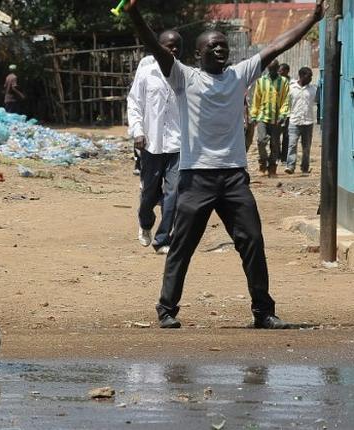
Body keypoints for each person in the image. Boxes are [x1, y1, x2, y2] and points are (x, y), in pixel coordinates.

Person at [125, 0, 325, 329]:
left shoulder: (238, 75)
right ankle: (166, 309)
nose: (220, 49)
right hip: (196, 179)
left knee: (253, 241)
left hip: (234, 179)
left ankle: (263, 311)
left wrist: (312, 18)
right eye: (213, 45)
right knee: (181, 246)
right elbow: (153, 45)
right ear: (199, 53)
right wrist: (133, 14)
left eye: (223, 45)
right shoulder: (183, 77)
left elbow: (277, 45)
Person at [127, 30, 183, 254]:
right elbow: (134, 103)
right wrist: (138, 131)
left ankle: (163, 238)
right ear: (158, 46)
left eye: (178, 46)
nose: (174, 50)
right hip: (151, 142)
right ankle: (145, 222)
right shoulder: (146, 70)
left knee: (175, 191)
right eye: (169, 45)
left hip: (178, 144)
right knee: (149, 192)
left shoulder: (184, 73)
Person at [250, 59, 290, 177]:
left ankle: (272, 167)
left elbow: (285, 100)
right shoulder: (261, 81)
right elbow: (256, 99)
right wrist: (254, 115)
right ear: (267, 69)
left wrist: (283, 115)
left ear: (278, 69)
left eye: (274, 69)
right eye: (270, 69)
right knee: (261, 141)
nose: (272, 71)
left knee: (275, 144)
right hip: (262, 117)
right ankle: (263, 162)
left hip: (276, 119)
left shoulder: (283, 82)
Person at [285, 67, 317, 174]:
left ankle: (304, 167)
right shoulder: (291, 88)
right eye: (309, 76)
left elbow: (318, 101)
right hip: (294, 121)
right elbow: (286, 103)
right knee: (292, 144)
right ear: (302, 76)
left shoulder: (313, 89)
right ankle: (290, 166)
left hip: (308, 122)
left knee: (306, 147)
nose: (311, 78)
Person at [278, 63, 291, 162]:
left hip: (288, 113)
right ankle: (277, 155)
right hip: (277, 112)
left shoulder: (292, 83)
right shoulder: (277, 82)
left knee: (286, 136)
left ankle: (284, 157)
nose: (279, 72)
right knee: (276, 135)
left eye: (281, 70)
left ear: (287, 71)